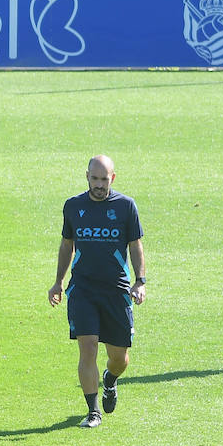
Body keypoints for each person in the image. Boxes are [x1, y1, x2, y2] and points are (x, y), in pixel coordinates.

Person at [47, 155, 146, 429]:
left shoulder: (126, 207)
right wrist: (58, 282)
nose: (99, 185)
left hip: (116, 290)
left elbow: (135, 245)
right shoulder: (73, 206)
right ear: (87, 176)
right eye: (95, 178)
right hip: (83, 289)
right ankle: (93, 411)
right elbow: (67, 245)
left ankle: (110, 380)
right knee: (87, 347)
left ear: (112, 178)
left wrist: (140, 281)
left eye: (104, 179)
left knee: (120, 358)